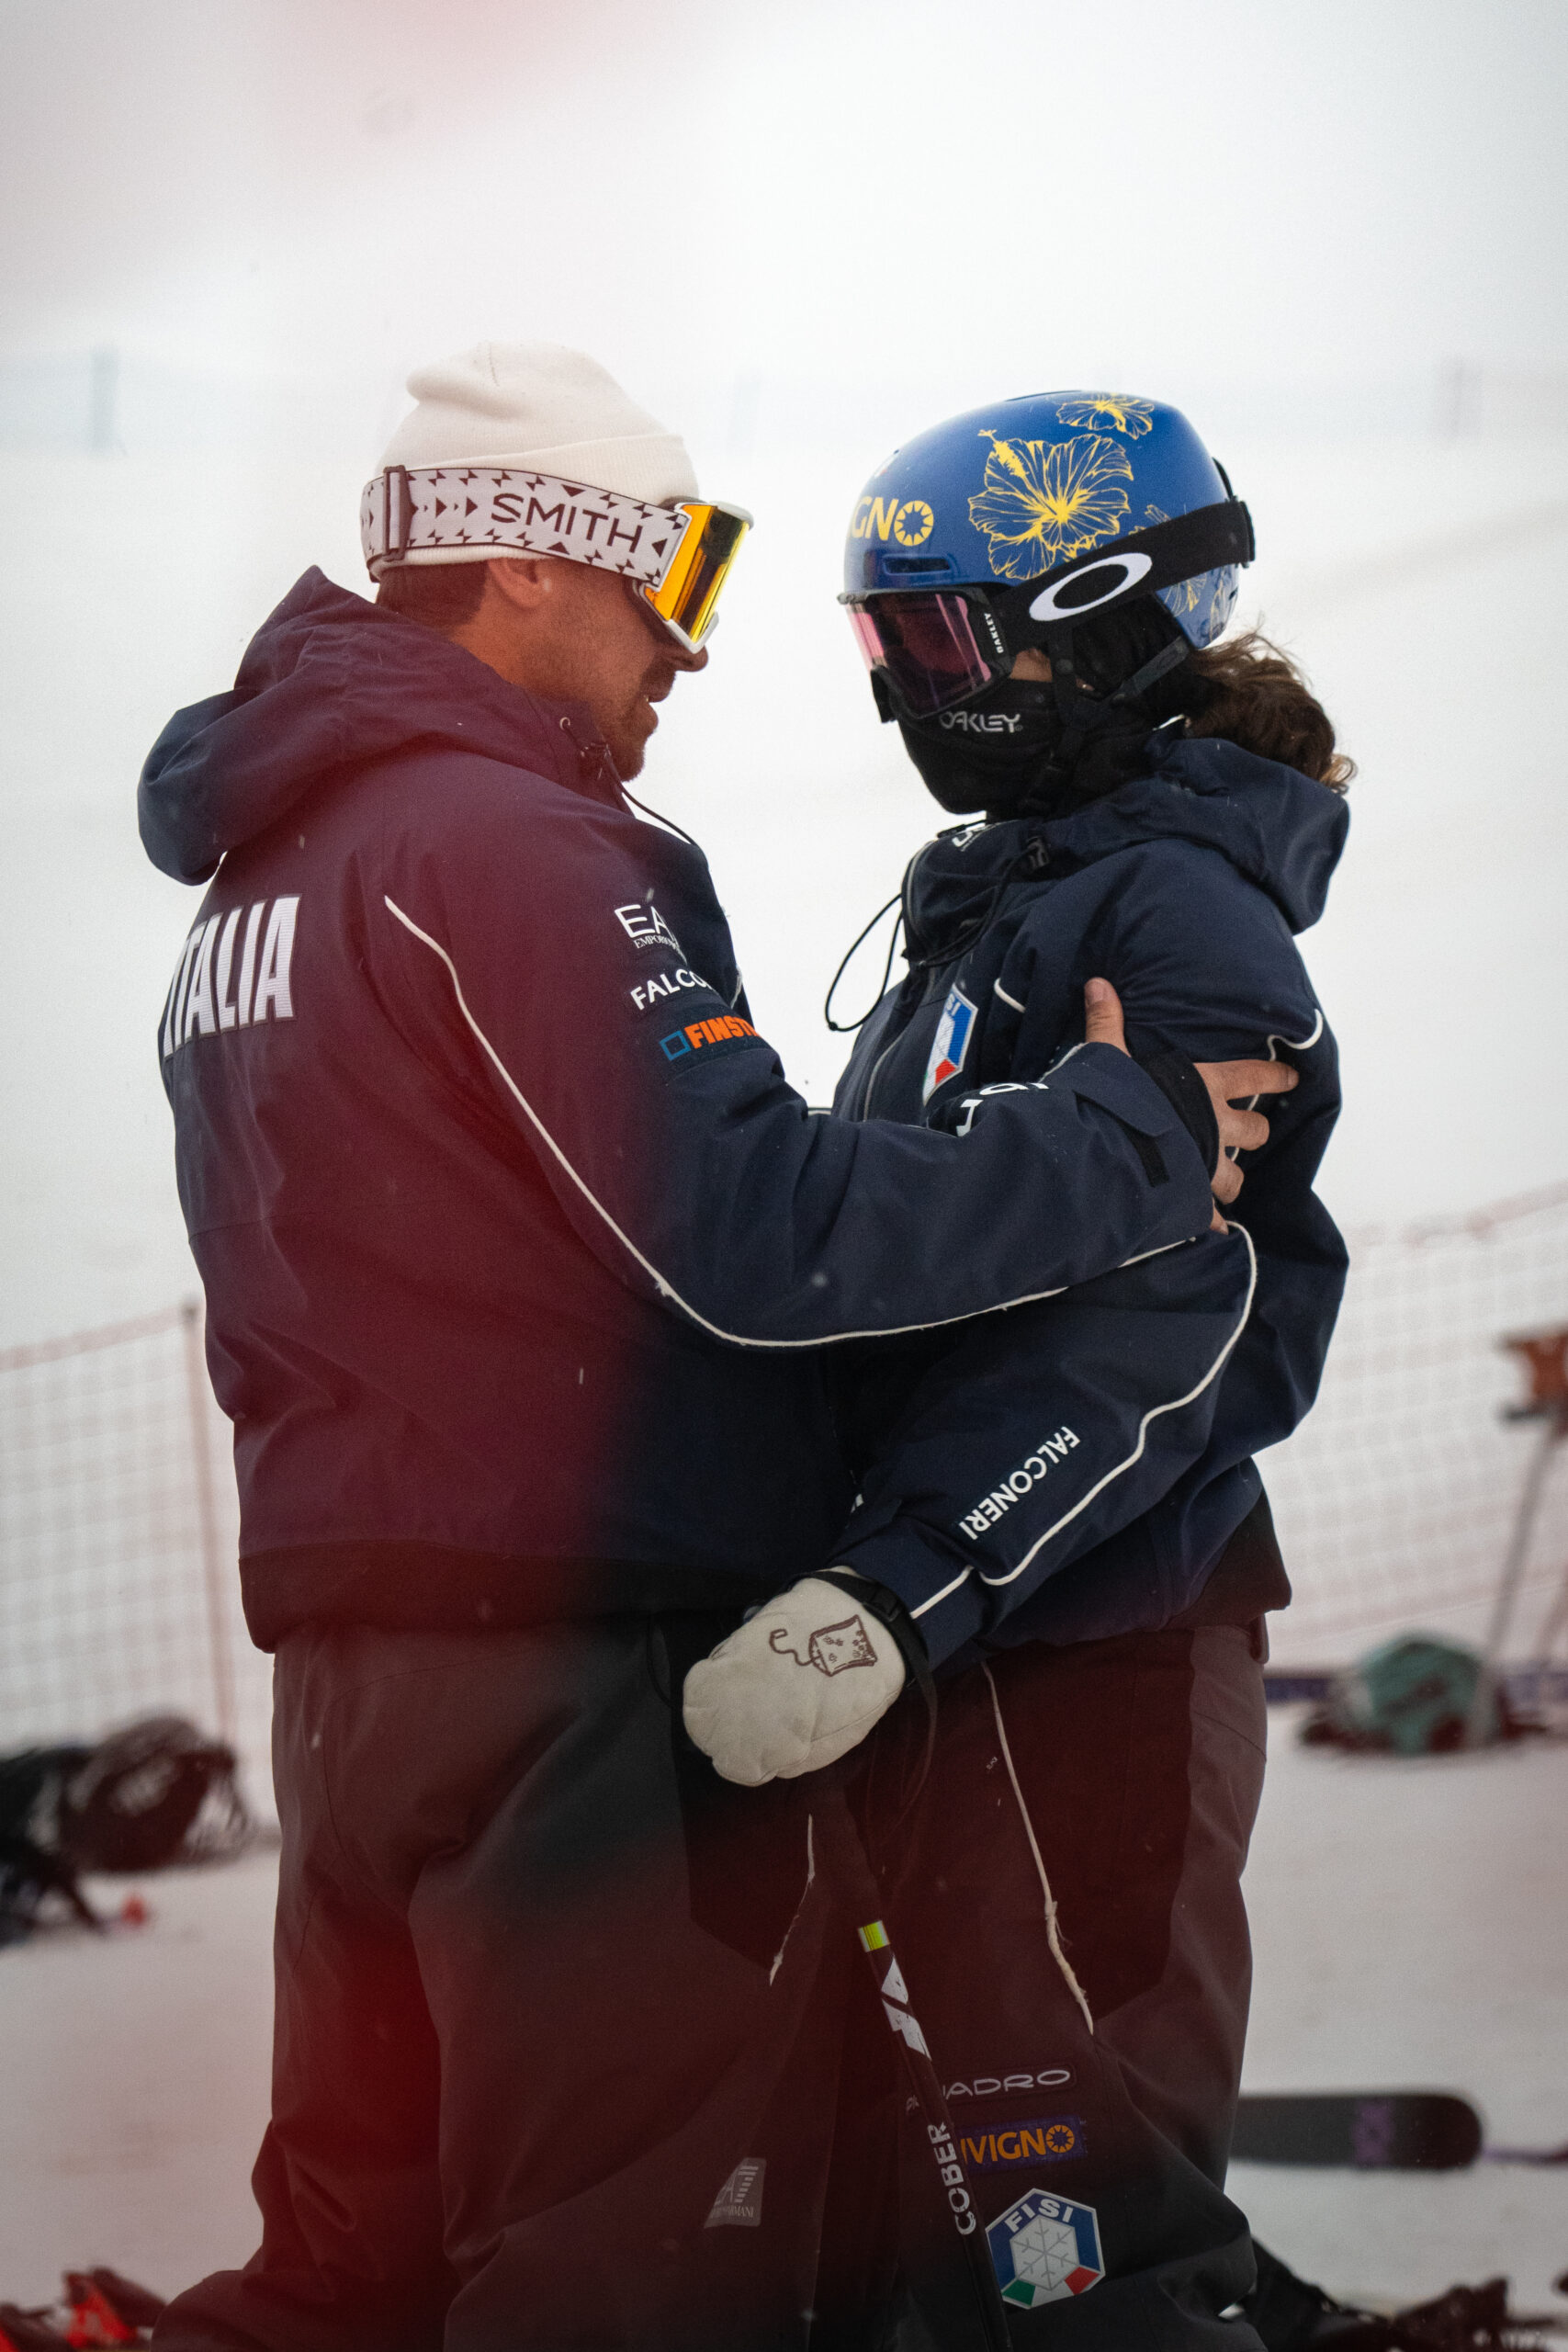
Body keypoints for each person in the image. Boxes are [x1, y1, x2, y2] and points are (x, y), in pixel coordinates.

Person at [137, 345, 1292, 2352]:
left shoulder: (258, 880)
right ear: (525, 564)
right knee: (632, 2264)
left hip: (354, 1678)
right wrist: (1124, 1137)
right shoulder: (504, 847)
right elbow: (750, 1242)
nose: (685, 639)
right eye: (669, 565)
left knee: (363, 2266)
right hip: (576, 1686)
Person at [769, 390, 1348, 2345]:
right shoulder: (993, 902)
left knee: (1079, 2122)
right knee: (987, 2125)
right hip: (964, 1609)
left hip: (1103, 1595)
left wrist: (943, 1551)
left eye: (940, 642)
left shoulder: (1173, 908)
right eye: (887, 651)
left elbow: (1192, 1302)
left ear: (1096, 612)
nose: (909, 699)